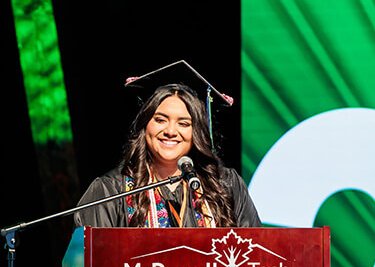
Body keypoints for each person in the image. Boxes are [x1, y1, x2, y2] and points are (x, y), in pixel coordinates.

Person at [74, 61, 261, 228]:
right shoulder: (111, 191)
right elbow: (90, 253)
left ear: (197, 131)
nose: (171, 131)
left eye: (184, 123)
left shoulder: (225, 186)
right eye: (160, 120)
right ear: (145, 124)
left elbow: (255, 251)